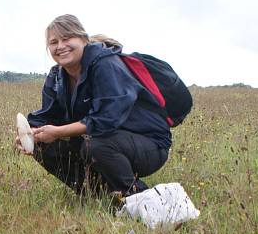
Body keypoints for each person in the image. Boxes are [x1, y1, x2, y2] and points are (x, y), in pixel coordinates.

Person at [14, 14, 171, 200]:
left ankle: (138, 198)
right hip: (108, 141)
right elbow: (49, 114)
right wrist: (31, 134)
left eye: (67, 38)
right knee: (42, 145)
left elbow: (106, 120)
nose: (60, 46)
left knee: (95, 144)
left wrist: (57, 132)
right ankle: (98, 195)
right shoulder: (57, 75)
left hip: (150, 144)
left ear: (83, 39)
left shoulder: (105, 65)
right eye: (54, 42)